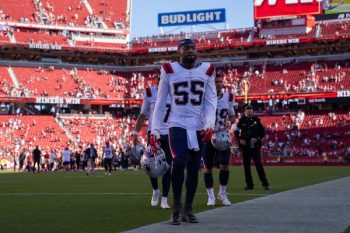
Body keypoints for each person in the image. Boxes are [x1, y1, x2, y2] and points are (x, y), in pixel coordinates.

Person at [151, 38, 217, 225]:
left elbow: (211, 101)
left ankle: (188, 208)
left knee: (194, 168)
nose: (191, 51)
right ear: (178, 51)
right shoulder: (169, 70)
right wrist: (155, 130)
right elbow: (161, 101)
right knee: (179, 161)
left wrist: (210, 124)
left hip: (198, 124)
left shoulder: (208, 70)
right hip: (177, 122)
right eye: (187, 48)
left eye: (193, 48)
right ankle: (176, 207)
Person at [133, 77, 172, 209]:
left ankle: (165, 199)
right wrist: (136, 133)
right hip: (153, 133)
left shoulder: (175, 92)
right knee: (150, 165)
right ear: (157, 80)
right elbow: (142, 114)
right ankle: (155, 190)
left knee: (168, 166)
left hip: (170, 133)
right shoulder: (150, 93)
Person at [202, 71, 235, 206]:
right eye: (216, 82)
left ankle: (222, 193)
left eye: (220, 82)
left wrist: (229, 122)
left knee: (225, 165)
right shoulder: (205, 97)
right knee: (208, 168)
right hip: (208, 134)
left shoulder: (228, 97)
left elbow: (232, 115)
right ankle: (210, 196)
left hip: (222, 135)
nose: (219, 84)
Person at [234, 104, 269, 190]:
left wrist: (257, 138)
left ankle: (265, 183)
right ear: (244, 111)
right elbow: (236, 132)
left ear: (252, 111)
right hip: (245, 146)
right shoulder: (241, 121)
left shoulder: (257, 120)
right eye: (247, 109)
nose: (249, 110)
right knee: (246, 166)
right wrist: (240, 140)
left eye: (251, 109)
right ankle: (249, 184)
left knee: (258, 164)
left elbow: (263, 132)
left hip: (255, 146)